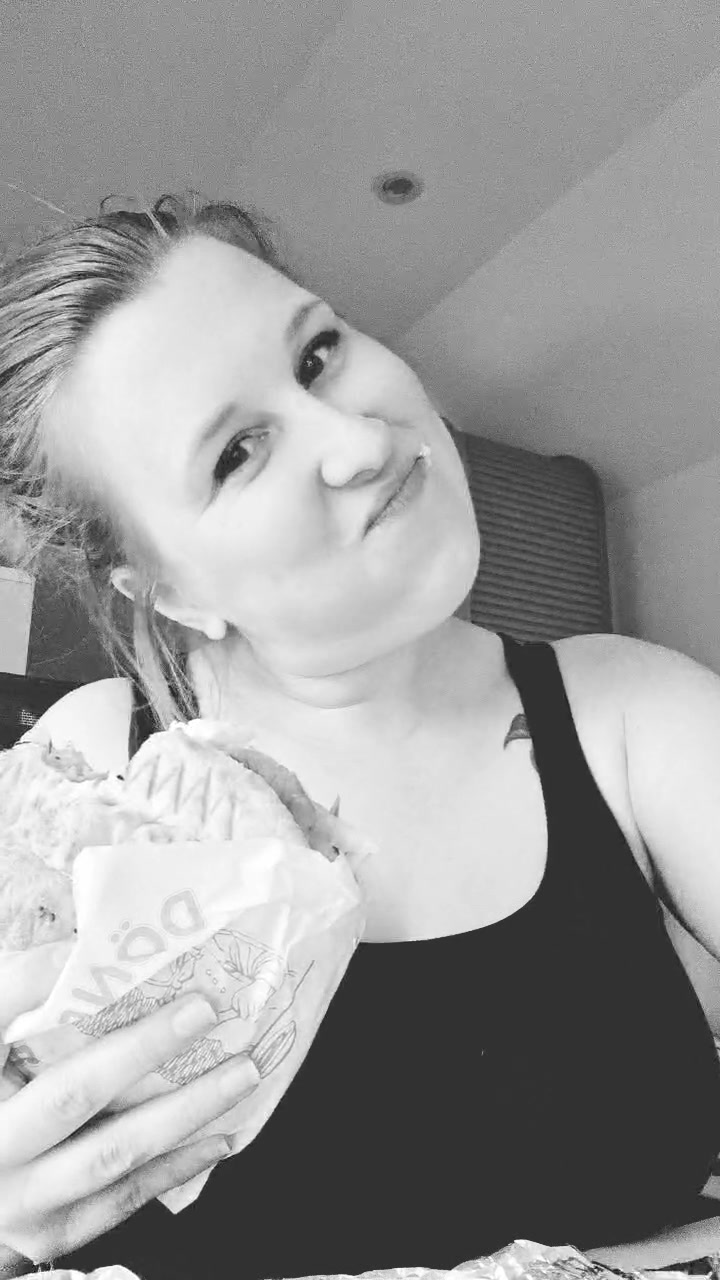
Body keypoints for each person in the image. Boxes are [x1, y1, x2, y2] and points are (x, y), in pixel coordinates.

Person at [1, 189, 720, 1280]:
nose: (360, 441)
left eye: (319, 354)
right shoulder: (93, 770)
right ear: (167, 587)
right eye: (237, 453)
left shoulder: (635, 716)